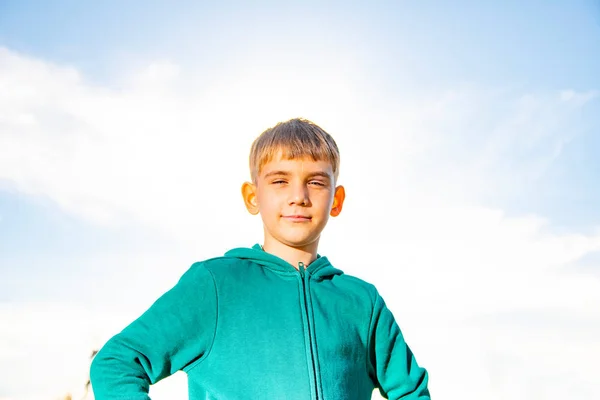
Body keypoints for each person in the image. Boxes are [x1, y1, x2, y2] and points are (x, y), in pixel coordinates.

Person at [90, 118, 430, 399]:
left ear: (336, 200)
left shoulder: (362, 302)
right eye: (280, 181)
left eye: (315, 181)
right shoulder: (216, 286)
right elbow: (116, 363)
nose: (298, 196)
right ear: (253, 197)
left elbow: (411, 392)